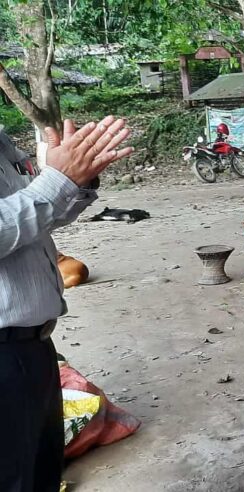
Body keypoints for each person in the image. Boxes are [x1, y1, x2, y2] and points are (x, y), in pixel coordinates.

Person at [1, 117, 133, 492]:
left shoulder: (2, 141)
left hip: (32, 349)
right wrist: (56, 182)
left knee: (40, 474)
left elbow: (36, 215)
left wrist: (77, 179)